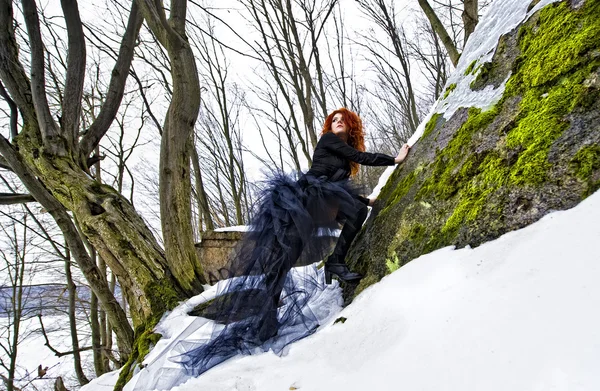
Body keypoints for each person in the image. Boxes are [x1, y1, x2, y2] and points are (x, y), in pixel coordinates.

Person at [156, 108, 410, 385]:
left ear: (351, 126)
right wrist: (395, 160)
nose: (336, 123)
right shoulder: (328, 140)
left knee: (346, 220)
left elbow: (337, 186)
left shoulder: (340, 152)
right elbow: (360, 158)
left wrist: (363, 201)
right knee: (283, 258)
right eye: (333, 120)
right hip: (305, 201)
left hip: (318, 200)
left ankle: (334, 263)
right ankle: (267, 321)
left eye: (342, 120)